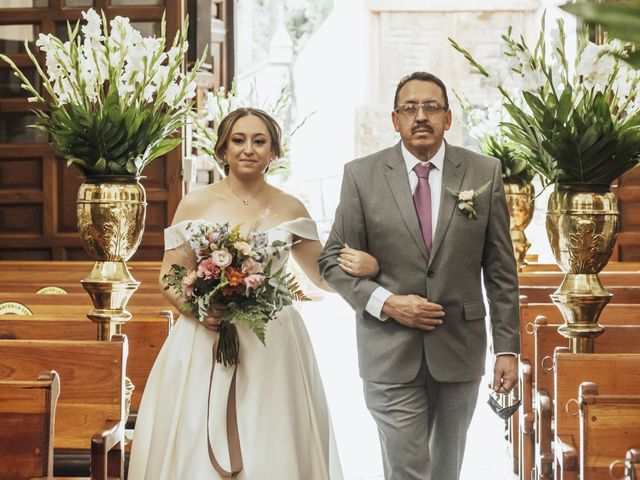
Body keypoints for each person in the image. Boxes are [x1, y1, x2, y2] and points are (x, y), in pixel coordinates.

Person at [128, 107, 379, 479]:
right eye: (238, 140)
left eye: (259, 141)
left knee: (271, 436)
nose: (248, 149)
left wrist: (369, 268)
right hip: (204, 337)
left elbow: (323, 277)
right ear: (223, 150)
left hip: (272, 343)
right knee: (195, 436)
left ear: (274, 152)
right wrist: (198, 309)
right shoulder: (194, 203)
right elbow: (169, 275)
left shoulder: (290, 207)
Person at [318, 71, 520, 480]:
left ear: (448, 118)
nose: (420, 116)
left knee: (445, 471)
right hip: (388, 352)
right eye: (410, 108)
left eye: (431, 107)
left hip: (458, 349)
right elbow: (331, 262)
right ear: (395, 120)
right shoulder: (362, 176)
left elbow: (500, 271)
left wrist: (507, 349)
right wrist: (388, 303)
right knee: (409, 470)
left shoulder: (484, 173)